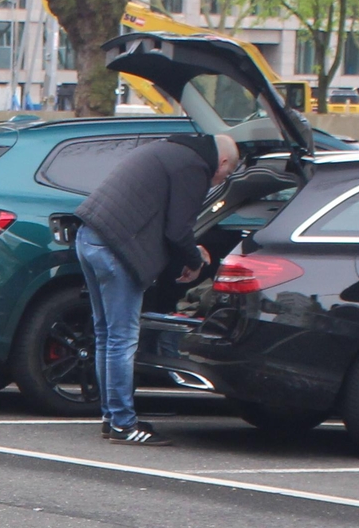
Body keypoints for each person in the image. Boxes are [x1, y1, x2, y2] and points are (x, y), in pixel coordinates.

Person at [68, 131, 238, 444]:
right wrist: (196, 259)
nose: (218, 182)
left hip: (89, 236)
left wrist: (189, 251)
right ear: (222, 161)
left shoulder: (170, 150)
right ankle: (123, 424)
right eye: (224, 176)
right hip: (114, 248)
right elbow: (177, 229)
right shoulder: (195, 166)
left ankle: (112, 416)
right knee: (121, 338)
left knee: (107, 334)